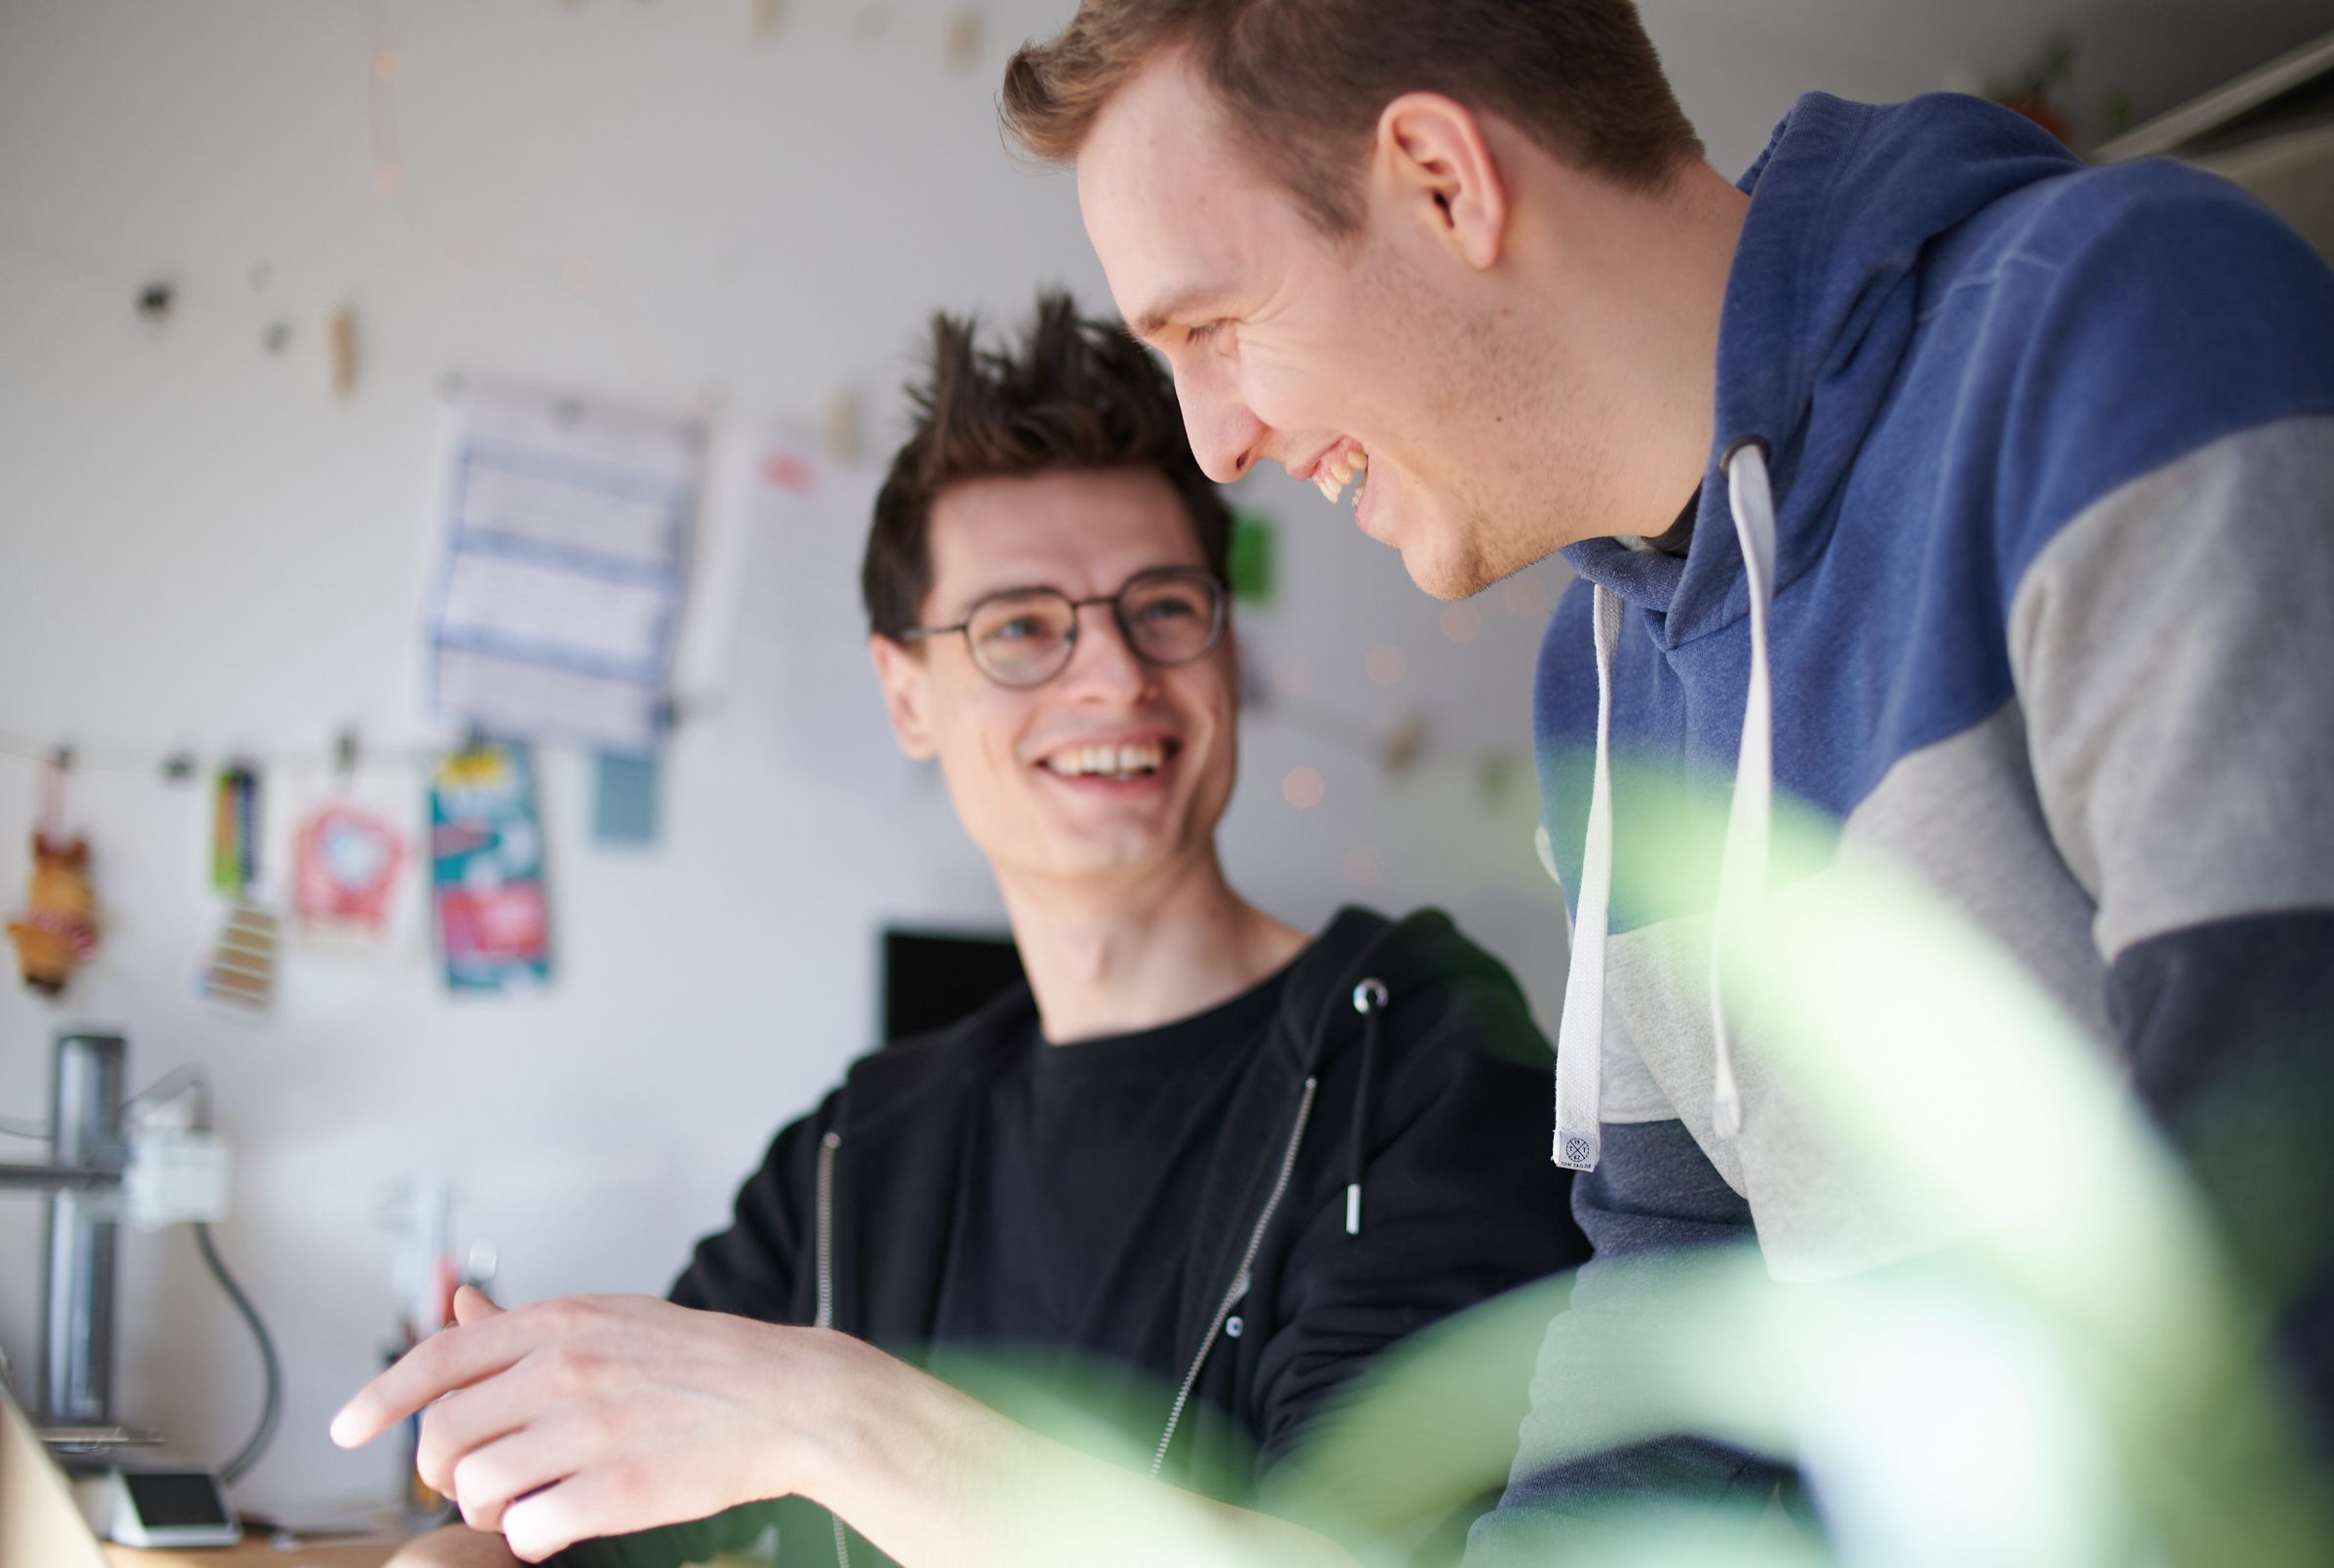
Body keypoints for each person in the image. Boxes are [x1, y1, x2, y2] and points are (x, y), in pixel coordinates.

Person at [998, 0, 2334, 1541]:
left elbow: (2285, 1209)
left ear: (1444, 179)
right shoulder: (1605, 673)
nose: (1216, 443)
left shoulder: (2127, 327)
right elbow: (1678, 1307)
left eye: (1211, 326)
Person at [333, 292, 1587, 1568]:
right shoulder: (865, 1147)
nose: (1113, 675)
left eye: (1163, 606)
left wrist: (828, 1412)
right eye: (1023, 627)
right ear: (905, 693)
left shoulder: (1419, 1053)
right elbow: (581, 1528)